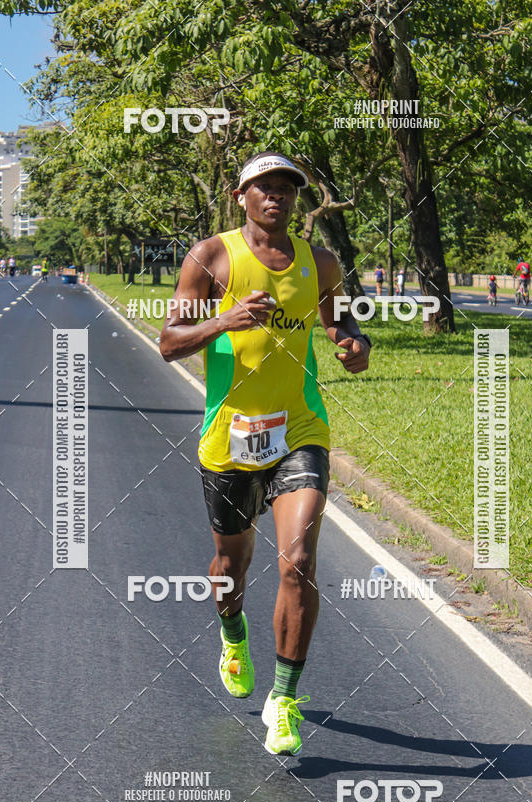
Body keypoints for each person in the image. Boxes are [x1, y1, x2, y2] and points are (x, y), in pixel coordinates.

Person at [160, 151, 371, 756]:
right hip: (229, 438)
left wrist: (353, 344)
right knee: (230, 567)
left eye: (285, 189)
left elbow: (340, 323)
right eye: (263, 188)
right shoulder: (212, 257)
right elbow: (170, 342)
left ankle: (284, 698)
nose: (275, 197)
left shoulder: (320, 262)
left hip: (299, 431)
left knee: (298, 558)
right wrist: (224, 320)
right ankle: (232, 632)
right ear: (241, 195)